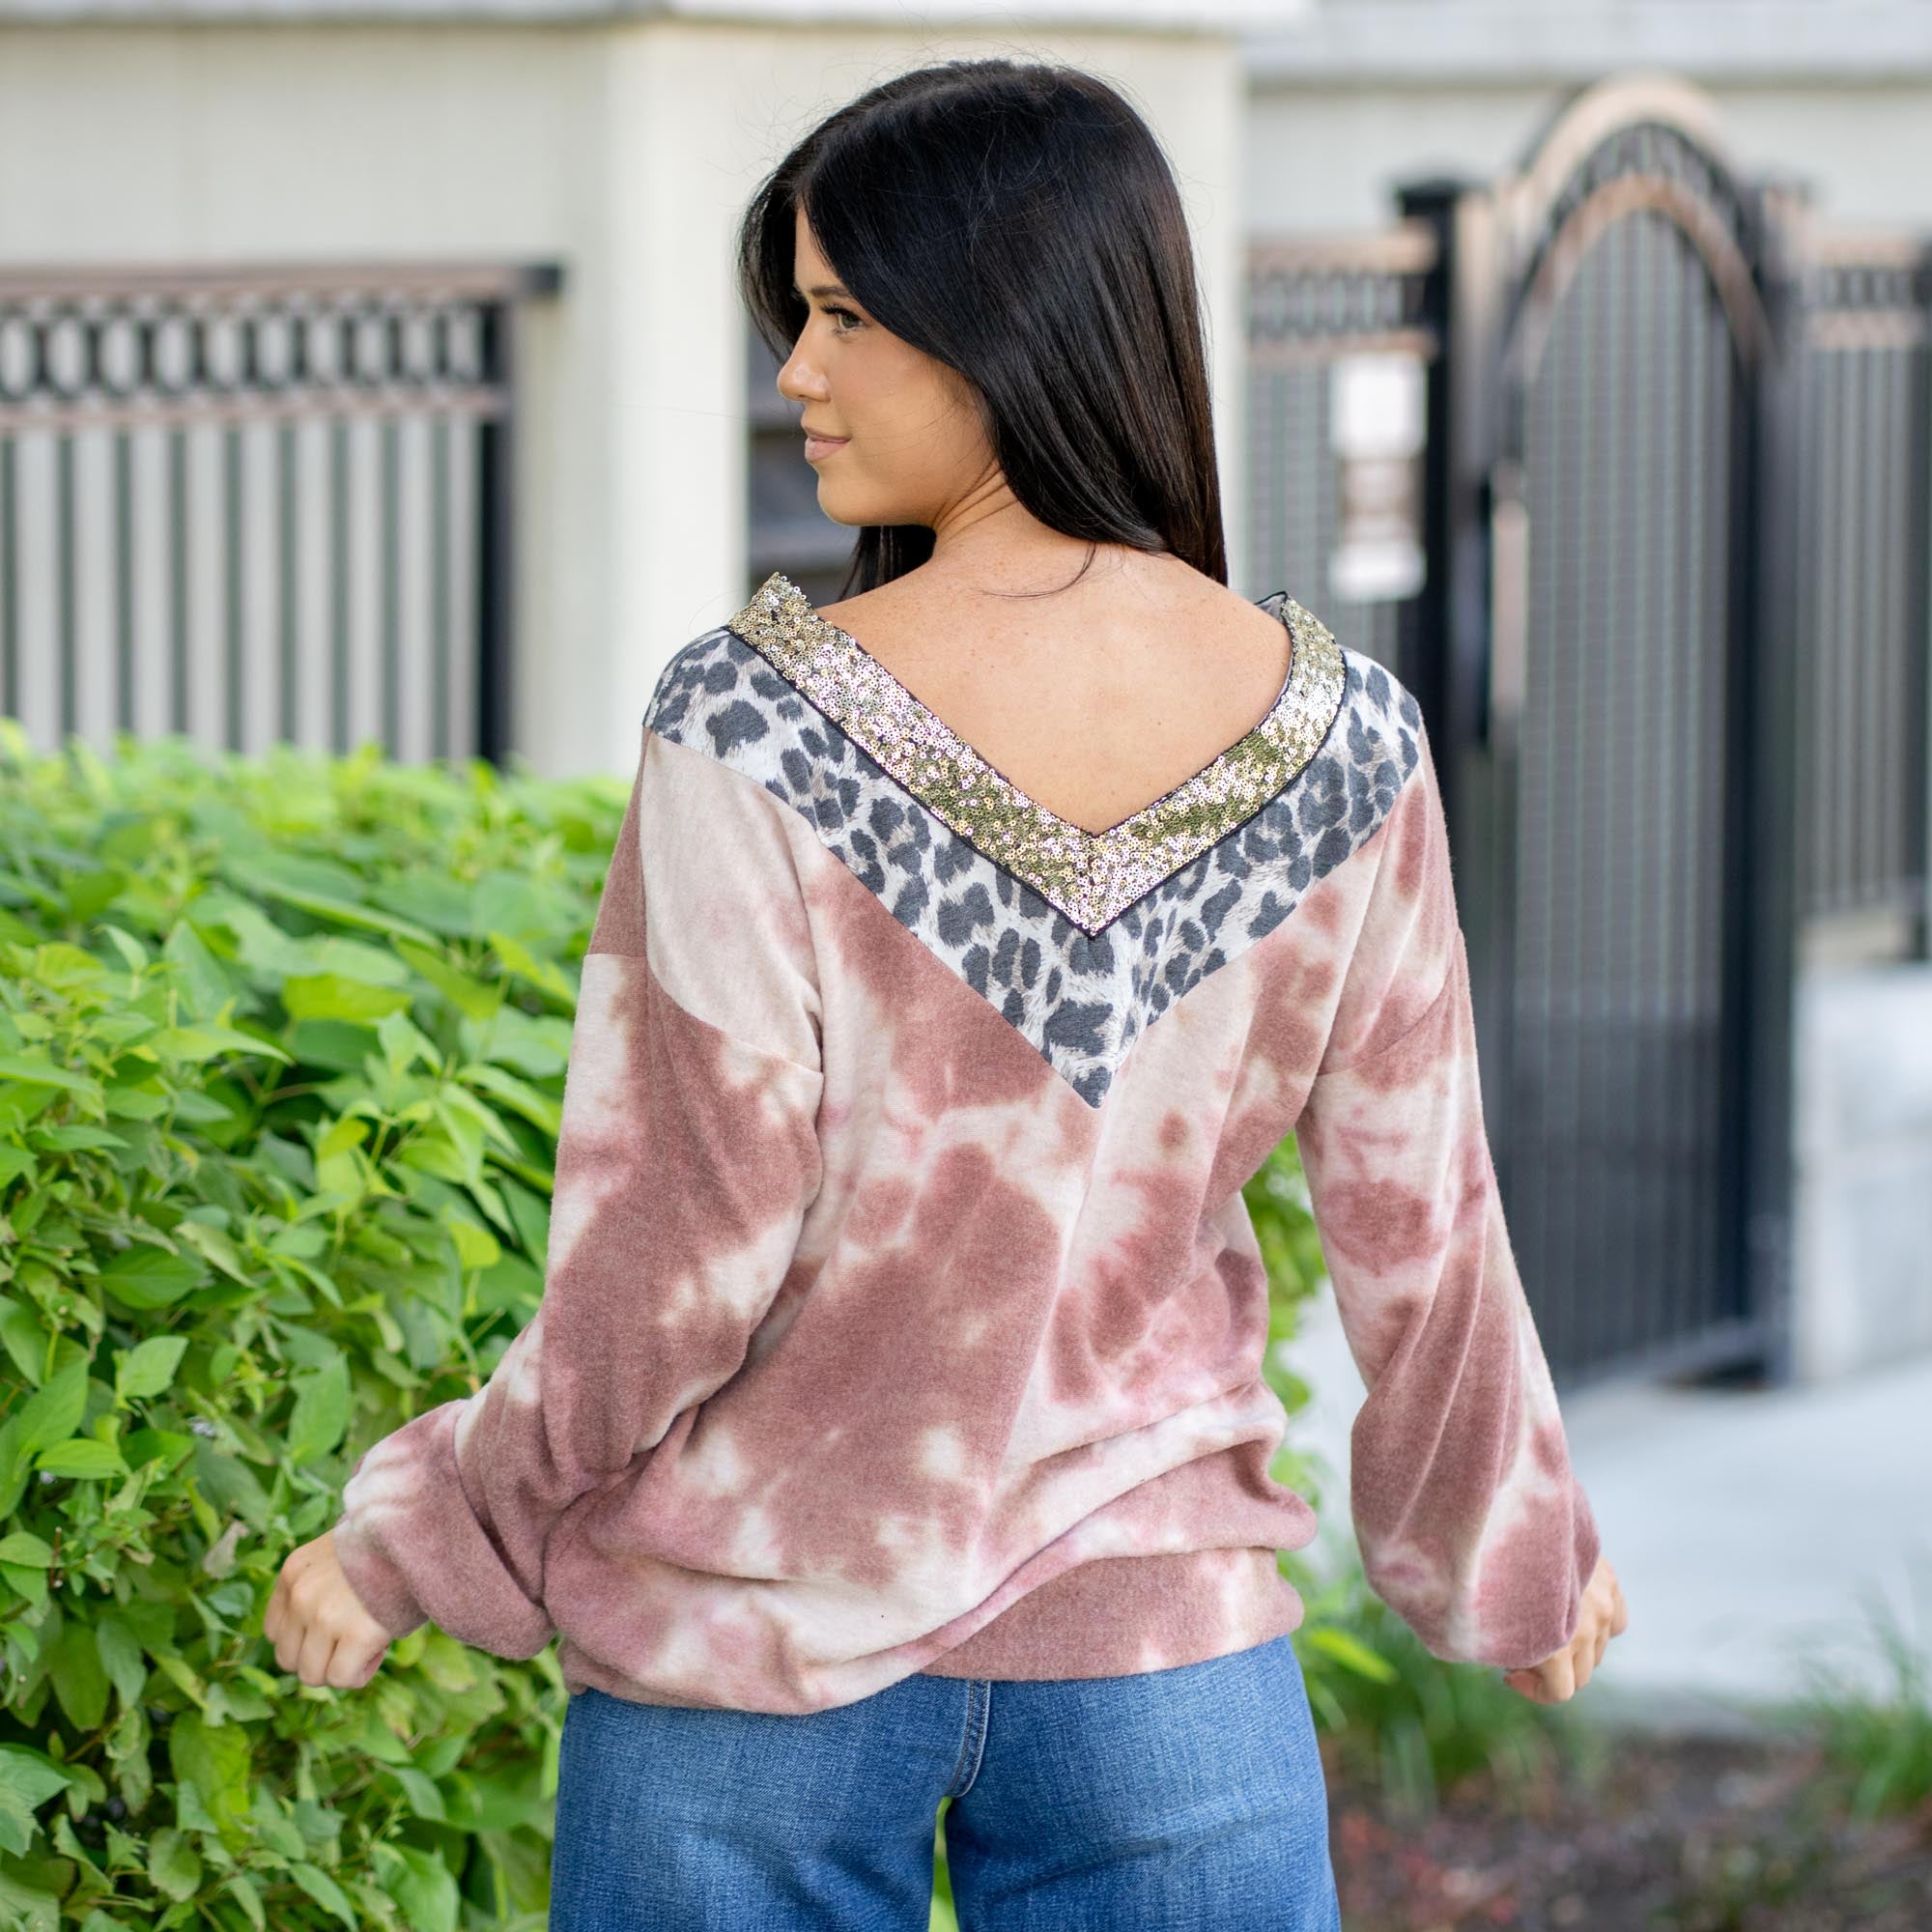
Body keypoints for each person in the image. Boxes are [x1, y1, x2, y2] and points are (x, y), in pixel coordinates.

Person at [266, 54, 1627, 1931]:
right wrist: (1512, 1546)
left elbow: (675, 1255)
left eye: (843, 316)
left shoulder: (755, 724)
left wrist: (423, 1530)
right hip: (1165, 1662)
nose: (795, 374)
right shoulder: (1347, 744)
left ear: (1006, 319)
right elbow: (1424, 1218)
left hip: (753, 1655)